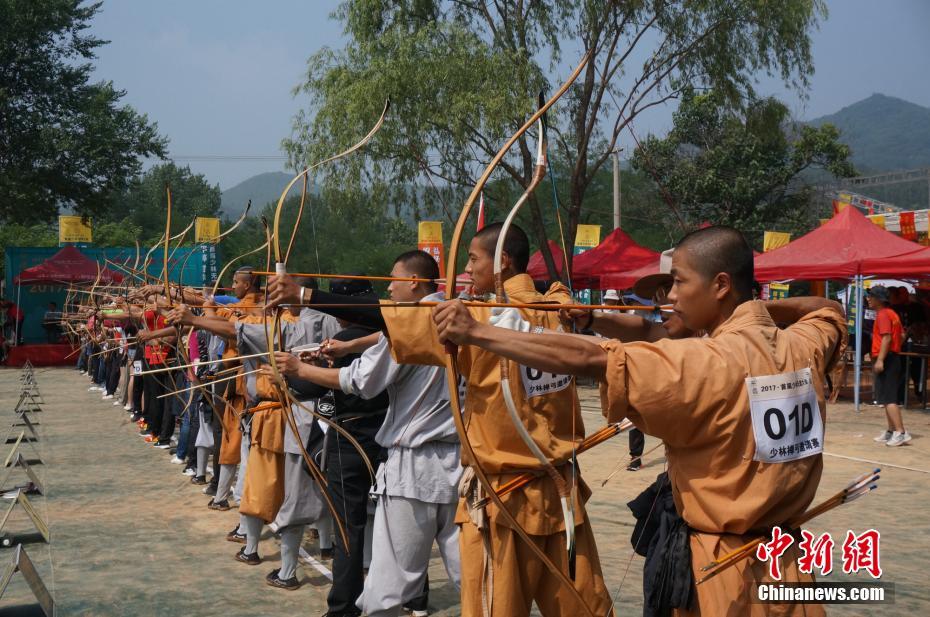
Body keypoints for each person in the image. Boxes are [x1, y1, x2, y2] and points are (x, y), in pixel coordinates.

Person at [433, 225, 847, 616]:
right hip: (788, 564)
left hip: (722, 575)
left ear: (720, 285)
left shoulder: (705, 362)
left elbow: (594, 358)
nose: (671, 298)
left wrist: (476, 332)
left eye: (680, 283)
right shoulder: (802, 345)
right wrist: (745, 311)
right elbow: (826, 310)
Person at [269, 223, 614, 617]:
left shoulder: (483, 321)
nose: (466, 272)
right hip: (552, 486)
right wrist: (350, 342)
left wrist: (305, 297)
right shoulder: (556, 311)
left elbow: (385, 343)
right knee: (569, 601)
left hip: (481, 485)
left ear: (501, 261)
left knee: (423, 593)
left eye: (472, 259)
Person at [270, 251, 463, 616]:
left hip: (410, 465)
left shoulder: (409, 327)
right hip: (458, 462)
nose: (388, 287)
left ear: (413, 283)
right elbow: (383, 334)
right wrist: (349, 346)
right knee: (471, 575)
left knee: (384, 584)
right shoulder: (462, 317)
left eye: (393, 280)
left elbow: (356, 380)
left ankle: (344, 608)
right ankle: (419, 602)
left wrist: (298, 368)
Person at [868, 285, 911, 446]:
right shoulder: (892, 314)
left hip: (887, 359)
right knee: (886, 398)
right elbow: (901, 335)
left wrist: (880, 360)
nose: (868, 299)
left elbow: (886, 338)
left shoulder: (884, 314)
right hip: (891, 357)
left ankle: (900, 432)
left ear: (879, 299)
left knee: (890, 398)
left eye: (871, 296)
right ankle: (892, 430)